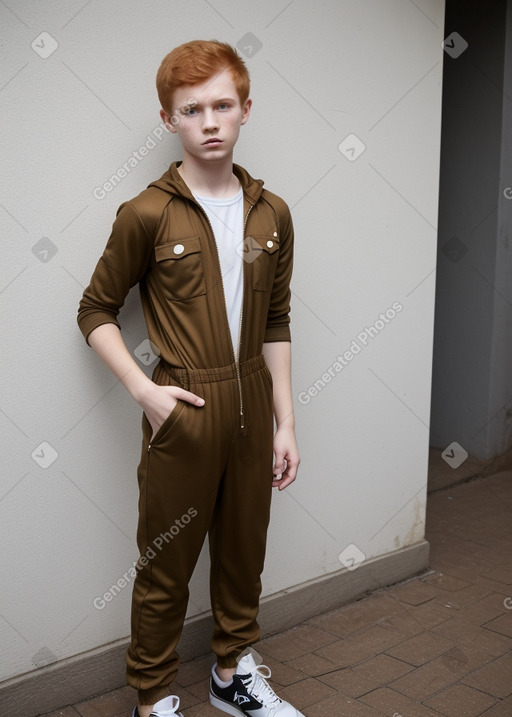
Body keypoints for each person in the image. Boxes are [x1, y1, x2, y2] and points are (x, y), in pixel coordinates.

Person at [77, 40, 302, 717]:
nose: (210, 120)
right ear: (170, 119)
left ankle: (231, 677)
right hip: (184, 409)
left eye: (223, 105)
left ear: (245, 110)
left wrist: (286, 420)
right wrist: (145, 391)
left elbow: (277, 321)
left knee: (244, 553)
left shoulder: (273, 213)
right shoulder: (146, 213)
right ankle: (151, 699)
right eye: (192, 108)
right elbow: (95, 310)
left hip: (252, 406)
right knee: (165, 569)